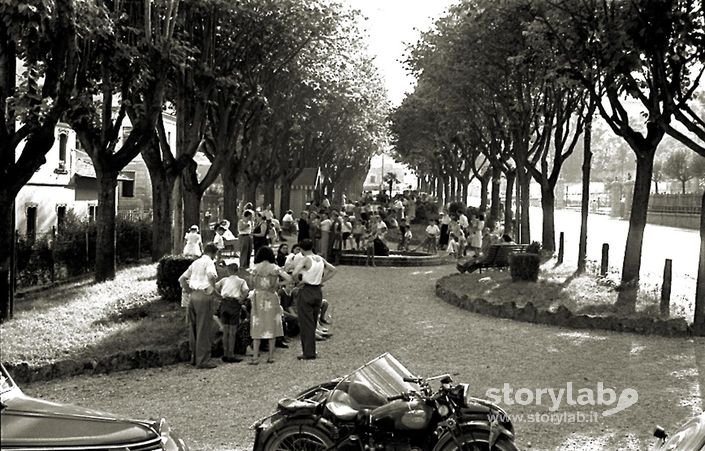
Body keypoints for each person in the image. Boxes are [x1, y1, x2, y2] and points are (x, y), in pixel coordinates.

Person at [291, 238, 337, 360]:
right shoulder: (319, 258)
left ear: (301, 249)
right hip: (317, 290)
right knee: (313, 319)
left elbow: (294, 273)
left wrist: (299, 282)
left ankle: (308, 351)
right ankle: (312, 350)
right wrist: (322, 280)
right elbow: (333, 269)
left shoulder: (306, 259)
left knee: (306, 322)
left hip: (307, 290)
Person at [178, 243, 219, 369]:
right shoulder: (209, 262)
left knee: (193, 328)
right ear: (213, 253)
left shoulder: (195, 263)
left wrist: (190, 291)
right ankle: (203, 360)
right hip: (204, 295)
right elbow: (211, 275)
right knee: (203, 328)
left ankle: (194, 357)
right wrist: (214, 290)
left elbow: (182, 279)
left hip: (193, 296)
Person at [249, 246, 293, 364]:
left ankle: (255, 357)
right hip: (271, 296)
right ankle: (271, 356)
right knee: (271, 324)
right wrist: (279, 284)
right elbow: (289, 278)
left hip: (258, 297)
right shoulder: (274, 268)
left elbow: (250, 282)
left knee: (257, 324)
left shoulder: (255, 268)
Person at [215, 263, 249, 363]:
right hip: (234, 304)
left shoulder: (224, 280)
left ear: (228, 271)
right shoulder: (241, 281)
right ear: (237, 270)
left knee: (225, 331)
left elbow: (215, 287)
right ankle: (231, 354)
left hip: (224, 303)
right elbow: (246, 291)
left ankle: (225, 354)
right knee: (233, 331)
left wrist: (220, 297)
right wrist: (242, 299)